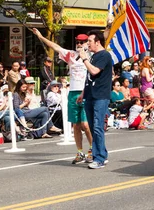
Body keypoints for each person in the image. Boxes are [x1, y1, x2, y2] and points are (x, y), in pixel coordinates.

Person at [32, 29, 94, 165]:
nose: (79, 44)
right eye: (77, 41)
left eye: (82, 42)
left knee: (86, 125)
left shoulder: (92, 56)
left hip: (86, 92)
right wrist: (40, 36)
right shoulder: (70, 55)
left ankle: (92, 149)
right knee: (76, 125)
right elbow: (55, 46)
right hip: (72, 92)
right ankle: (79, 152)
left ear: (87, 43)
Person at [80, 29, 114, 170]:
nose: (87, 44)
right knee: (93, 127)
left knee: (98, 126)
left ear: (97, 42)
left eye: (89, 41)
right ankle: (101, 154)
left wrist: (84, 58)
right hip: (90, 94)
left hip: (100, 95)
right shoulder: (93, 56)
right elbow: (89, 77)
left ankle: (99, 158)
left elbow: (94, 71)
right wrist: (83, 93)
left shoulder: (104, 55)